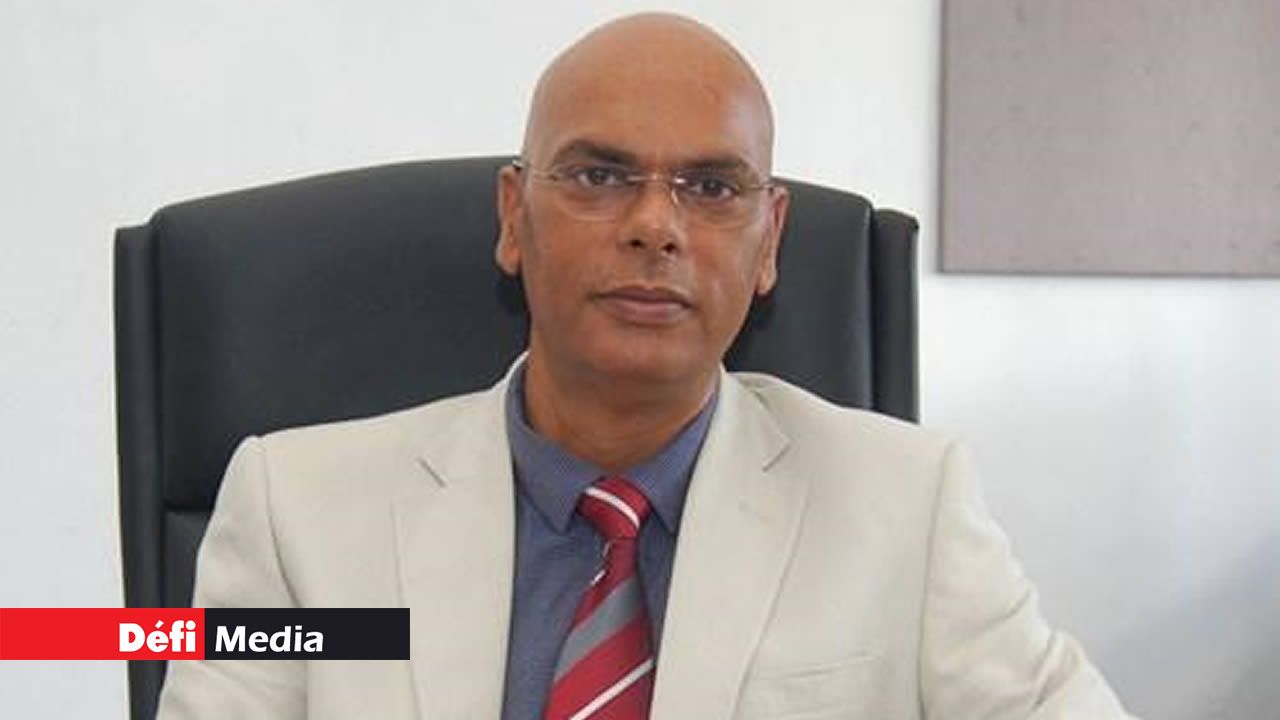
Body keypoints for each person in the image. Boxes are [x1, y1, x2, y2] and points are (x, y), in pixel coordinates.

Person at [157, 12, 1136, 720]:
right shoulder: (301, 514)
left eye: (711, 187)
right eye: (599, 175)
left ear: (768, 242)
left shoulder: (907, 507)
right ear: (513, 217)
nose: (655, 226)